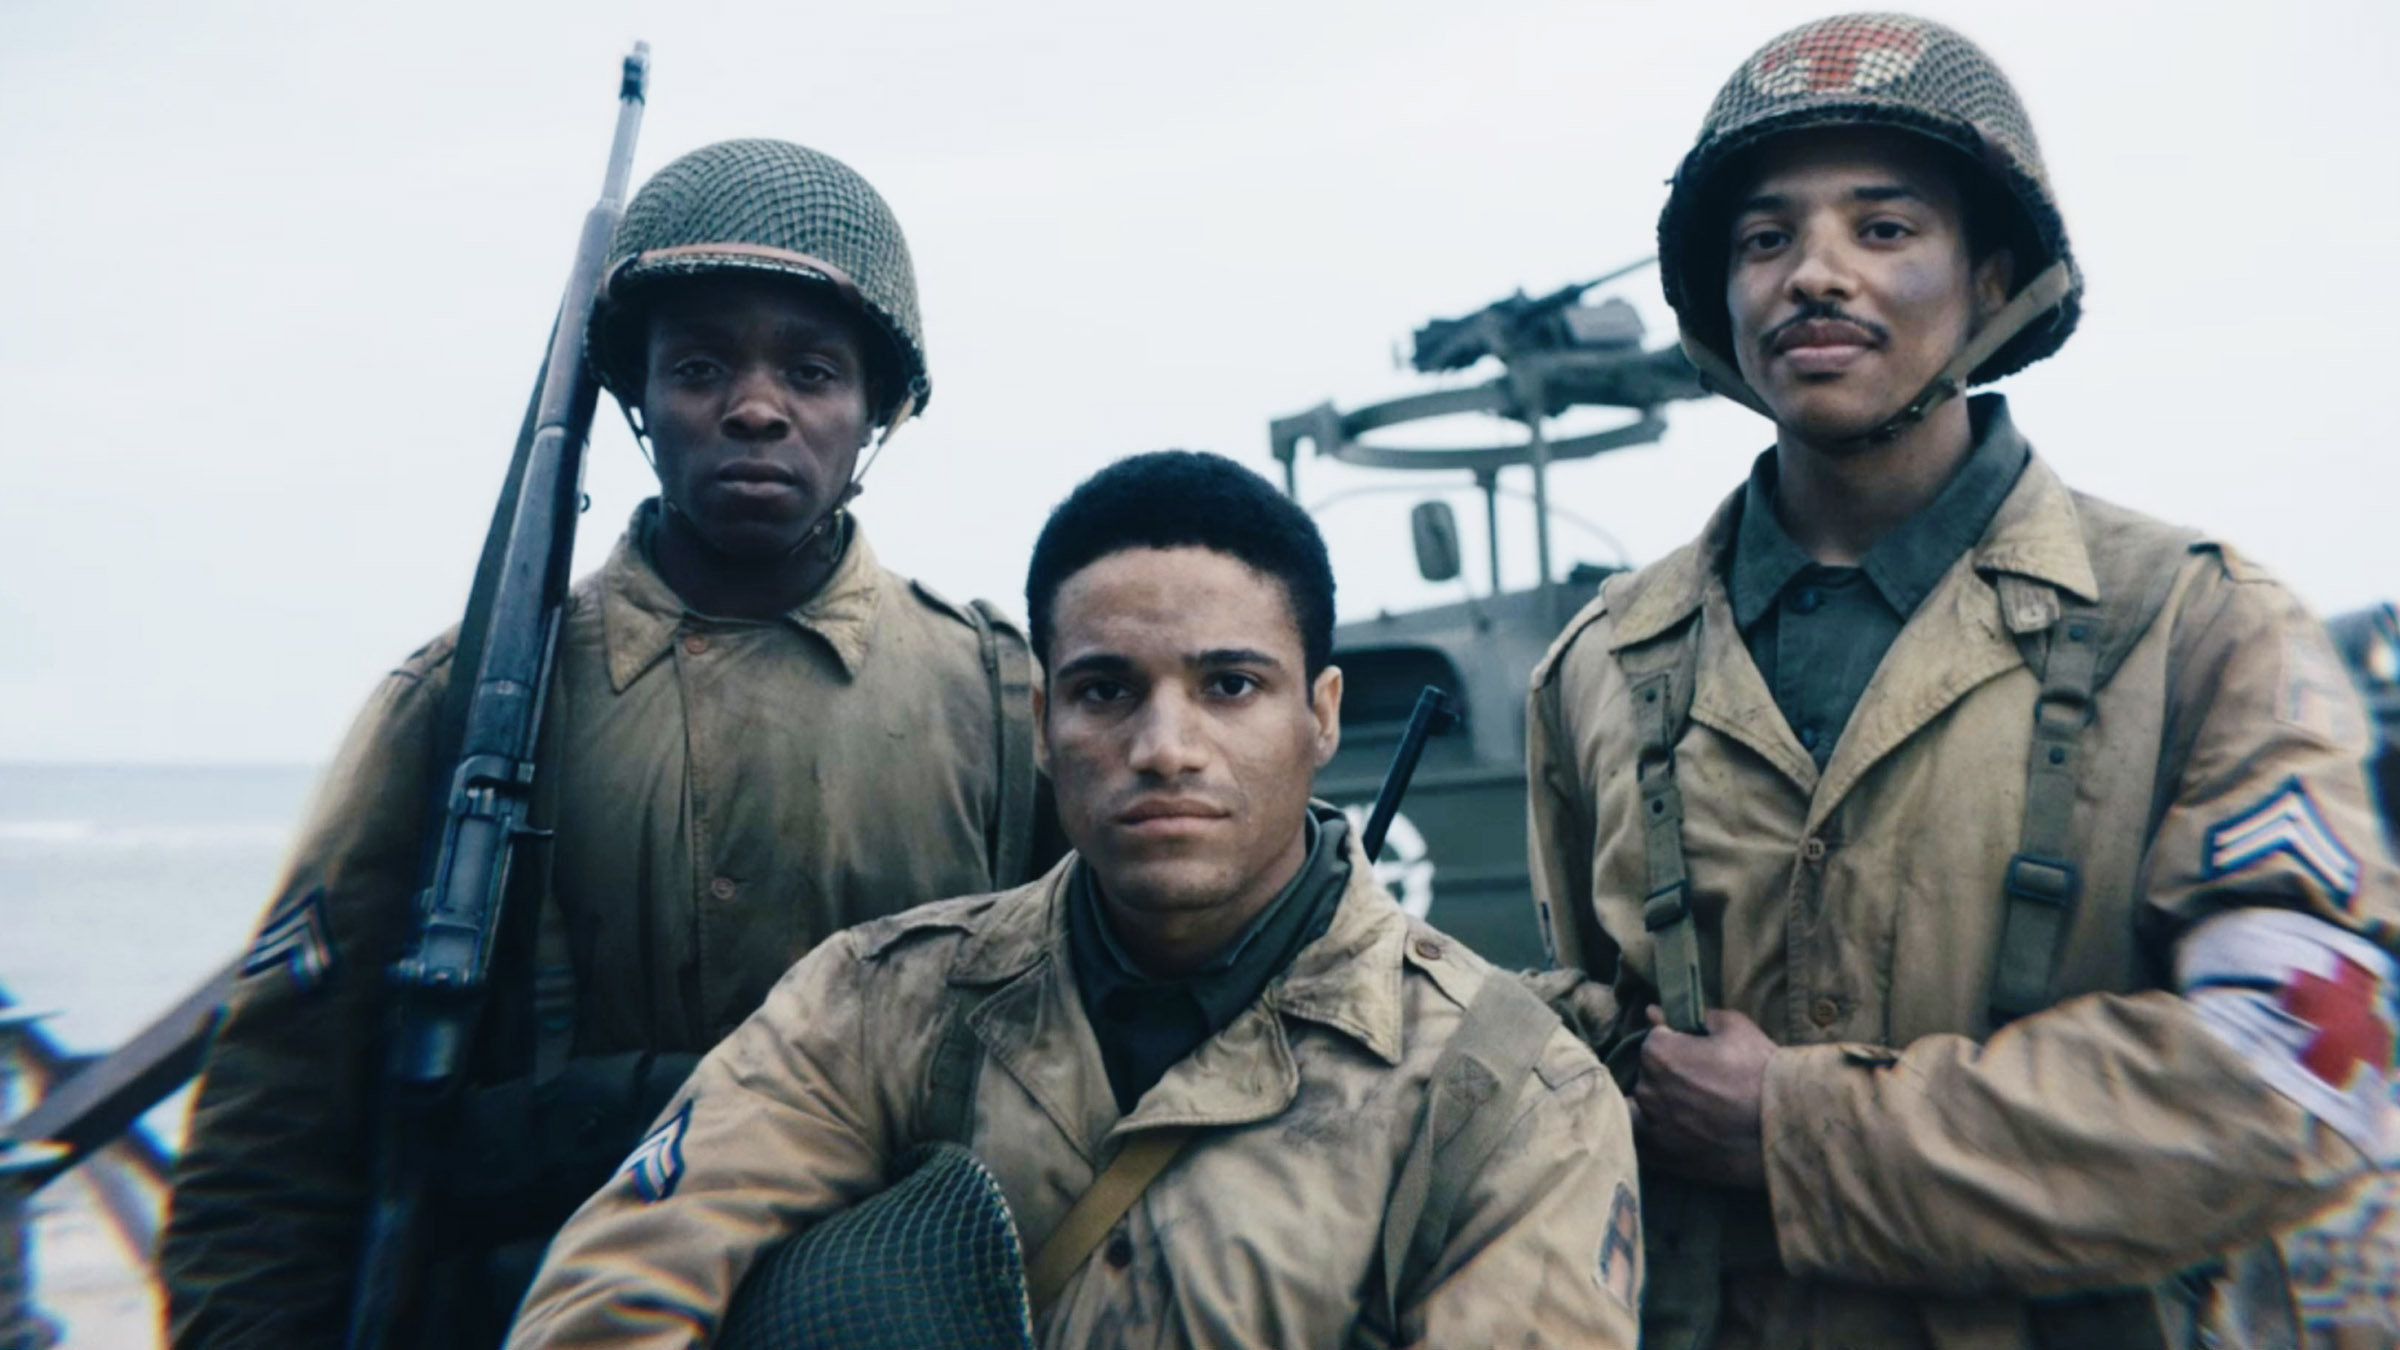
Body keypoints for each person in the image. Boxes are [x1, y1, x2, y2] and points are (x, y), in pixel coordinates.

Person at [1525, 14, 2400, 1348]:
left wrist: (1799, 1125)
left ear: (1992, 279)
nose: (1814, 274)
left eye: (1884, 228)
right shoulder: (1603, 663)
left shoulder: (2195, 627)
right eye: (1764, 240)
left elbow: (2302, 1079)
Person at [161, 138, 1043, 1347]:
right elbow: (275, 1133)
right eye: (698, 367)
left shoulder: (997, 700)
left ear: (879, 408)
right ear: (637, 399)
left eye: (813, 371)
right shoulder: (465, 702)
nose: (755, 407)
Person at [508, 451, 1643, 1349]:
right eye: (1107, 691)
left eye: (1230, 685)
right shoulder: (882, 1004)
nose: (1164, 748)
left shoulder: (1511, 1093)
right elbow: (619, 1288)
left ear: (1323, 716)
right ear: (1044, 726)